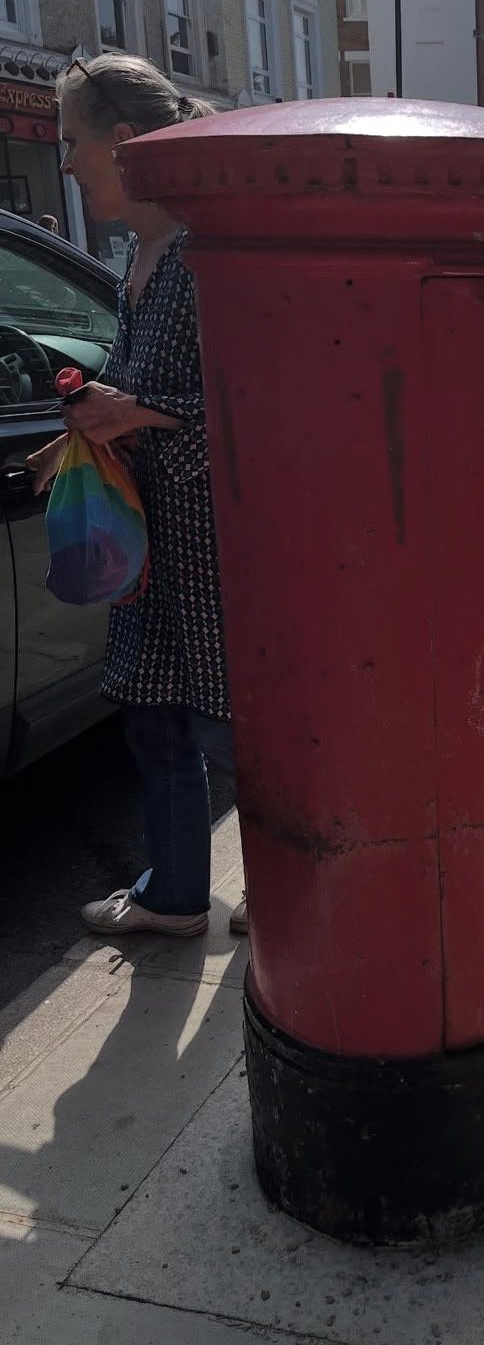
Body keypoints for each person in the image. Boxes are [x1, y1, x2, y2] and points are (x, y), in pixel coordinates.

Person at [27, 52, 246, 940]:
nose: (68, 161)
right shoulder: (139, 256)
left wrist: (140, 413)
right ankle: (176, 895)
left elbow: (254, 407)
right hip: (142, 532)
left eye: (74, 142)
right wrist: (74, 434)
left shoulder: (207, 252)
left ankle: (291, 884)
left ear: (125, 142)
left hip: (205, 538)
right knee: (152, 717)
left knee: (232, 724)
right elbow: (136, 382)